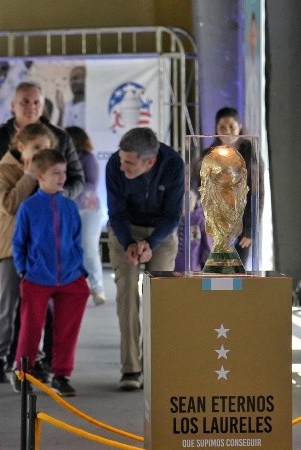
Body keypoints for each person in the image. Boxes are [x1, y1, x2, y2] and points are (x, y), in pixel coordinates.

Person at [0, 80, 85, 381]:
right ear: (13, 105)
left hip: (49, 241)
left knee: (45, 308)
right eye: (24, 101)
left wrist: (55, 195)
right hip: (11, 239)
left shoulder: (60, 137)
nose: (31, 107)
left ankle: (41, 360)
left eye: (36, 102)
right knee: (10, 304)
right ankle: (2, 358)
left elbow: (76, 178)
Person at [105, 127, 183, 390]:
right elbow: (116, 212)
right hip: (126, 228)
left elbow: (173, 216)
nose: (121, 165)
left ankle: (155, 365)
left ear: (149, 162)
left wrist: (151, 243)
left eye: (128, 162)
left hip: (161, 232)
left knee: (160, 299)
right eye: (121, 159)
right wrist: (129, 243)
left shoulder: (173, 164)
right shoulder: (114, 165)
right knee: (127, 294)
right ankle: (131, 368)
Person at [12, 149, 90, 397]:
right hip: (36, 277)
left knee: (67, 328)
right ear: (39, 175)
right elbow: (19, 242)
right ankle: (23, 373)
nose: (62, 178)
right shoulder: (28, 207)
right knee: (31, 326)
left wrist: (79, 269)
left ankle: (62, 374)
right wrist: (24, 269)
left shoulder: (69, 207)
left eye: (64, 172)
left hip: (70, 276)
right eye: (55, 173)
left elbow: (76, 241)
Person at [0, 123, 57, 384]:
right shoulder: (3, 170)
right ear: (21, 147)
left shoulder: (48, 175)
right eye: (36, 148)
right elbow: (9, 204)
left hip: (38, 249)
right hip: (9, 247)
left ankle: (34, 356)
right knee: (8, 306)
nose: (41, 154)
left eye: (46, 149)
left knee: (37, 307)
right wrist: (29, 175)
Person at [200, 107, 264, 268]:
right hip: (214, 224)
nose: (227, 131)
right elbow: (200, 188)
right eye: (222, 127)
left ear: (239, 127)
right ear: (216, 129)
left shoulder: (251, 154)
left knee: (236, 273)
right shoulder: (208, 154)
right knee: (213, 271)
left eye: (231, 127)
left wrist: (249, 229)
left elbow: (257, 194)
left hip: (242, 225)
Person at [66, 126, 106, 306]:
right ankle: (73, 287)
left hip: (89, 210)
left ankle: (97, 289)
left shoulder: (87, 158)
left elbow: (92, 183)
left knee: (89, 250)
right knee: (69, 250)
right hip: (68, 210)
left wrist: (71, 190)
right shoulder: (60, 158)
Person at [174, 190, 211, 272]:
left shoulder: (199, 219)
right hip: (173, 264)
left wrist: (208, 257)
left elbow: (207, 242)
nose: (188, 202)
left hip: (193, 264)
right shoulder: (174, 217)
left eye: (191, 199)